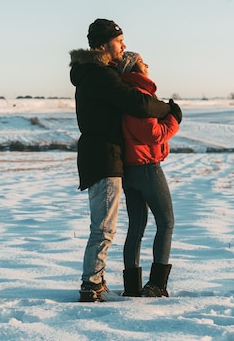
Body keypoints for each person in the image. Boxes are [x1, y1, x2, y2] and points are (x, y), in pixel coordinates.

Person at [69, 19, 182, 302]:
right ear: (105, 44)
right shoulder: (100, 76)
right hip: (106, 158)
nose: (124, 45)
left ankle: (102, 281)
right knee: (105, 228)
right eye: (120, 41)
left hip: (108, 158)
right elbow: (140, 105)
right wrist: (170, 111)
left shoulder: (96, 74)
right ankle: (91, 284)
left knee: (125, 227)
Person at [117, 51, 180, 297]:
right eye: (143, 61)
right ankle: (156, 284)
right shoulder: (138, 97)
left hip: (130, 170)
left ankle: (132, 287)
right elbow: (153, 134)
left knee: (136, 228)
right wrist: (174, 119)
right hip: (147, 167)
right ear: (134, 69)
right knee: (166, 222)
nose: (148, 64)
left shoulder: (125, 97)